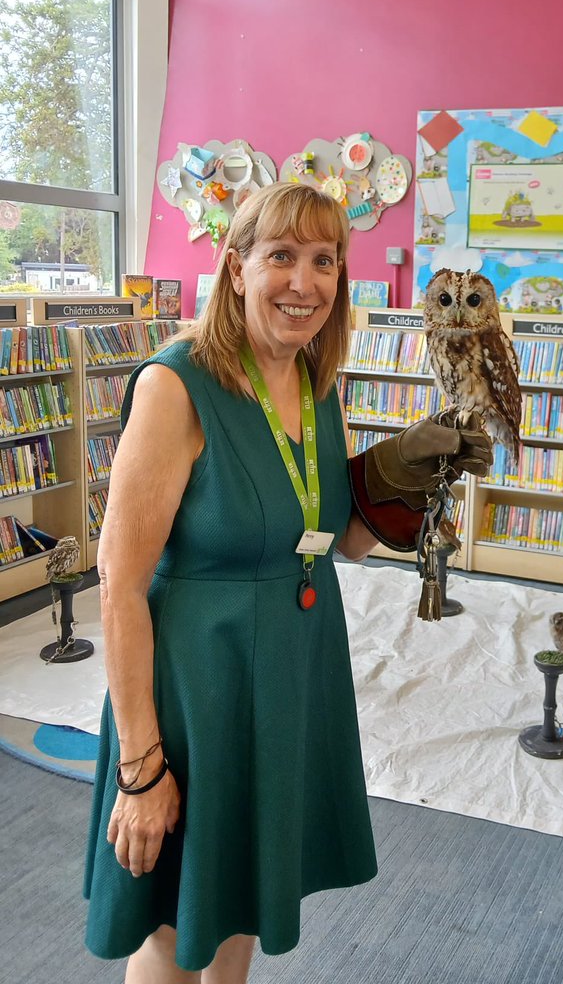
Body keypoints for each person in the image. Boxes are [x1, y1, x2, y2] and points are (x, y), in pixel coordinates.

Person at [83, 182, 492, 983]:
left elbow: (337, 540)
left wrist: (406, 473)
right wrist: (142, 767)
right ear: (235, 268)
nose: (302, 282)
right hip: (196, 687)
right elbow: (116, 585)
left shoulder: (317, 384)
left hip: (293, 672)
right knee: (171, 920)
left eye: (323, 261)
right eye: (280, 256)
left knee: (244, 897)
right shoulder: (177, 386)